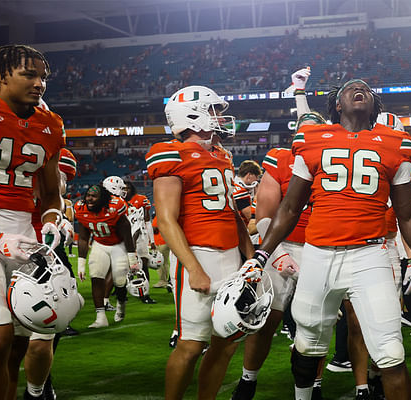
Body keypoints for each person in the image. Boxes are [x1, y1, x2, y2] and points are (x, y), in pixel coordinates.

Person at [240, 78, 411, 400]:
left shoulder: (395, 142)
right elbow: (291, 206)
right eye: (350, 88)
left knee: (391, 353)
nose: (359, 89)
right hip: (319, 256)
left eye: (365, 88)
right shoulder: (311, 139)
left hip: (370, 256)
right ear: (337, 104)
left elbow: (407, 215)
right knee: (308, 345)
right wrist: (262, 254)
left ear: (376, 106)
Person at [147, 85, 254, 400]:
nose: (219, 117)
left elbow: (232, 213)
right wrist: (193, 267)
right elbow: (166, 219)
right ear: (191, 115)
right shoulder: (168, 152)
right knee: (191, 345)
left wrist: (250, 257)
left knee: (227, 343)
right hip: (199, 255)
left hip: (232, 259)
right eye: (213, 110)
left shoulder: (222, 154)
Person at [230, 110, 322, 400]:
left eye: (312, 131)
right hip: (281, 246)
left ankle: (311, 387)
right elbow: (265, 215)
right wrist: (277, 252)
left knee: (315, 323)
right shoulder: (281, 159)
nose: (305, 136)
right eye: (301, 131)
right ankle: (248, 380)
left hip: (320, 248)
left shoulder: (335, 160)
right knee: (266, 318)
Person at [0, 44, 66, 400]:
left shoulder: (50, 124)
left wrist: (52, 221)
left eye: (43, 77)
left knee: (18, 347)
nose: (39, 83)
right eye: (28, 74)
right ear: (1, 75)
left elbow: (51, 192)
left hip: (24, 230)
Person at [74, 184, 138, 328]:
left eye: (94, 196)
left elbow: (127, 234)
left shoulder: (115, 208)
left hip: (118, 245)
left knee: (119, 281)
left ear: (102, 199)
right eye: (88, 195)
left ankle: (121, 303)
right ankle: (100, 318)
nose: (89, 199)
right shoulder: (81, 208)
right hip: (100, 244)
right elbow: (84, 237)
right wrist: (81, 263)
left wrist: (132, 258)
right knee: (96, 277)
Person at [123, 178, 158, 304]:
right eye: (124, 188)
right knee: (124, 268)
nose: (126, 191)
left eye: (128, 188)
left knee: (143, 266)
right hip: (124, 237)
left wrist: (152, 241)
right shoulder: (118, 202)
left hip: (141, 236)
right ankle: (121, 293)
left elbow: (147, 221)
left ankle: (145, 294)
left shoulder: (141, 199)